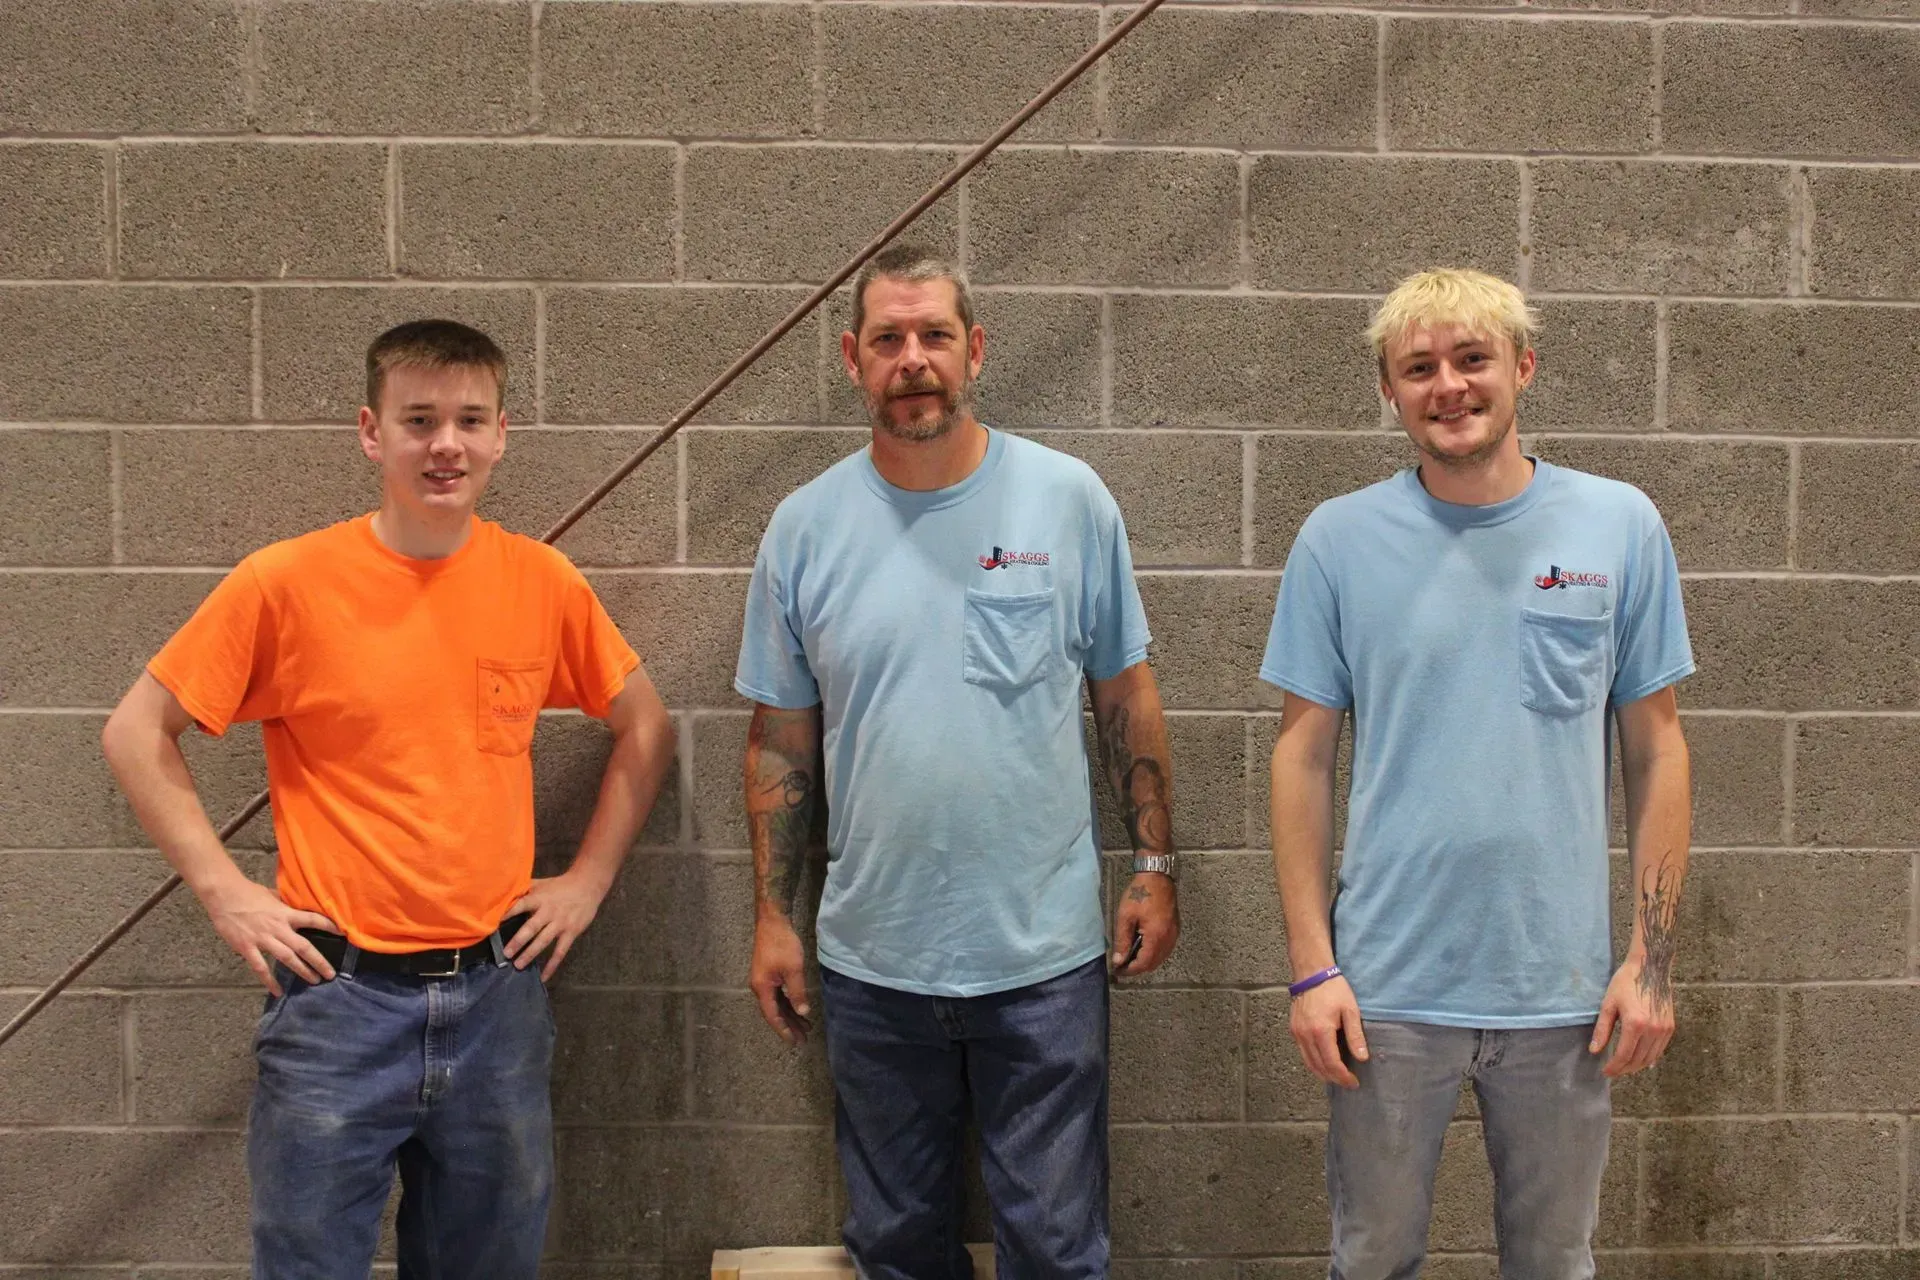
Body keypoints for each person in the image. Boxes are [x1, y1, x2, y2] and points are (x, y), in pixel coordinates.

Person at [100, 319, 676, 1279]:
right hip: (338, 1003)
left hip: (498, 999)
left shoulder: (540, 582)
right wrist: (222, 890)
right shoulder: (286, 584)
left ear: (501, 434)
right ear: (373, 432)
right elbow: (134, 731)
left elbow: (645, 727)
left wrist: (586, 880)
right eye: (419, 420)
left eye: (468, 419)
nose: (444, 443)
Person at [735, 243, 1179, 1279]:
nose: (913, 357)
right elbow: (780, 738)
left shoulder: (1068, 500)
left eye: (934, 334)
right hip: (873, 961)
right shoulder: (804, 528)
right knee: (894, 1246)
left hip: (1045, 963)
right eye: (888, 338)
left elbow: (1126, 693)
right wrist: (771, 914)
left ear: (974, 350)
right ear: (852, 358)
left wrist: (1155, 867)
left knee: (1058, 1249)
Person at [1262, 268, 1694, 1278]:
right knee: (1370, 1258)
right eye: (1420, 368)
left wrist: (1652, 960)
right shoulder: (1337, 540)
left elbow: (1658, 747)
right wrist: (1313, 965)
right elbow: (1302, 755)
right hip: (1385, 992)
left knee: (1555, 1261)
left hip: (1564, 990)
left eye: (1471, 359)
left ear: (1523, 368)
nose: (1448, 385)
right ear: (1390, 390)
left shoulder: (1619, 526)